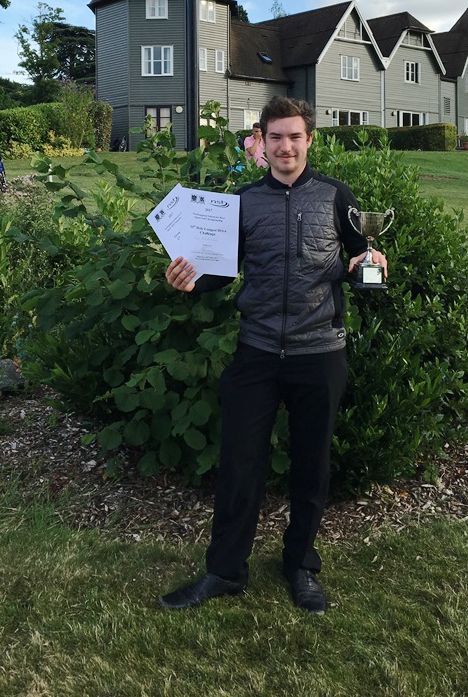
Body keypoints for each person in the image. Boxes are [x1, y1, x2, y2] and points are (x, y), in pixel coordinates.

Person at [159, 96, 388, 615]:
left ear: (310, 140)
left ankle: (300, 566)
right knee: (240, 464)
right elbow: (220, 271)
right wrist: (188, 279)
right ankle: (224, 571)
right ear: (260, 141)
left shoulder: (336, 196)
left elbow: (358, 257)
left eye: (296, 136)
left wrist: (371, 260)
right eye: (276, 136)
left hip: (319, 352)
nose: (286, 147)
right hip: (257, 351)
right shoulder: (241, 202)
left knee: (312, 466)